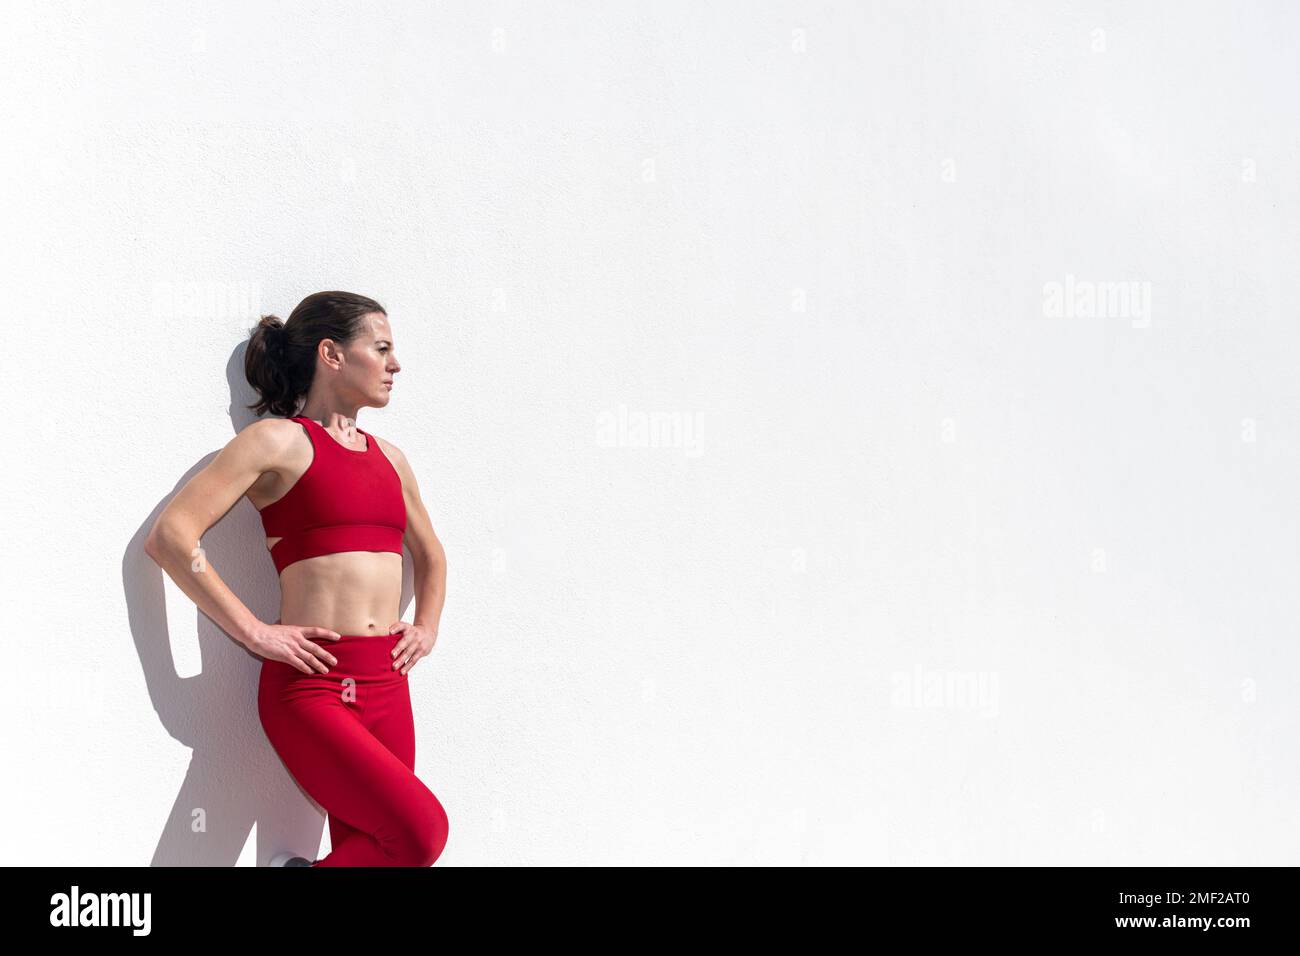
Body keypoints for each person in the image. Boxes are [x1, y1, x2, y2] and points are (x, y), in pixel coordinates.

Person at [145, 290, 450, 866]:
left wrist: (426, 628)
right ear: (332, 354)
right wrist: (254, 632)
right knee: (420, 833)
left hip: (388, 683)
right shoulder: (277, 441)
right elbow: (172, 536)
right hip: (313, 686)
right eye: (381, 348)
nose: (395, 365)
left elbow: (431, 555)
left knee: (374, 846)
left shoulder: (392, 457)